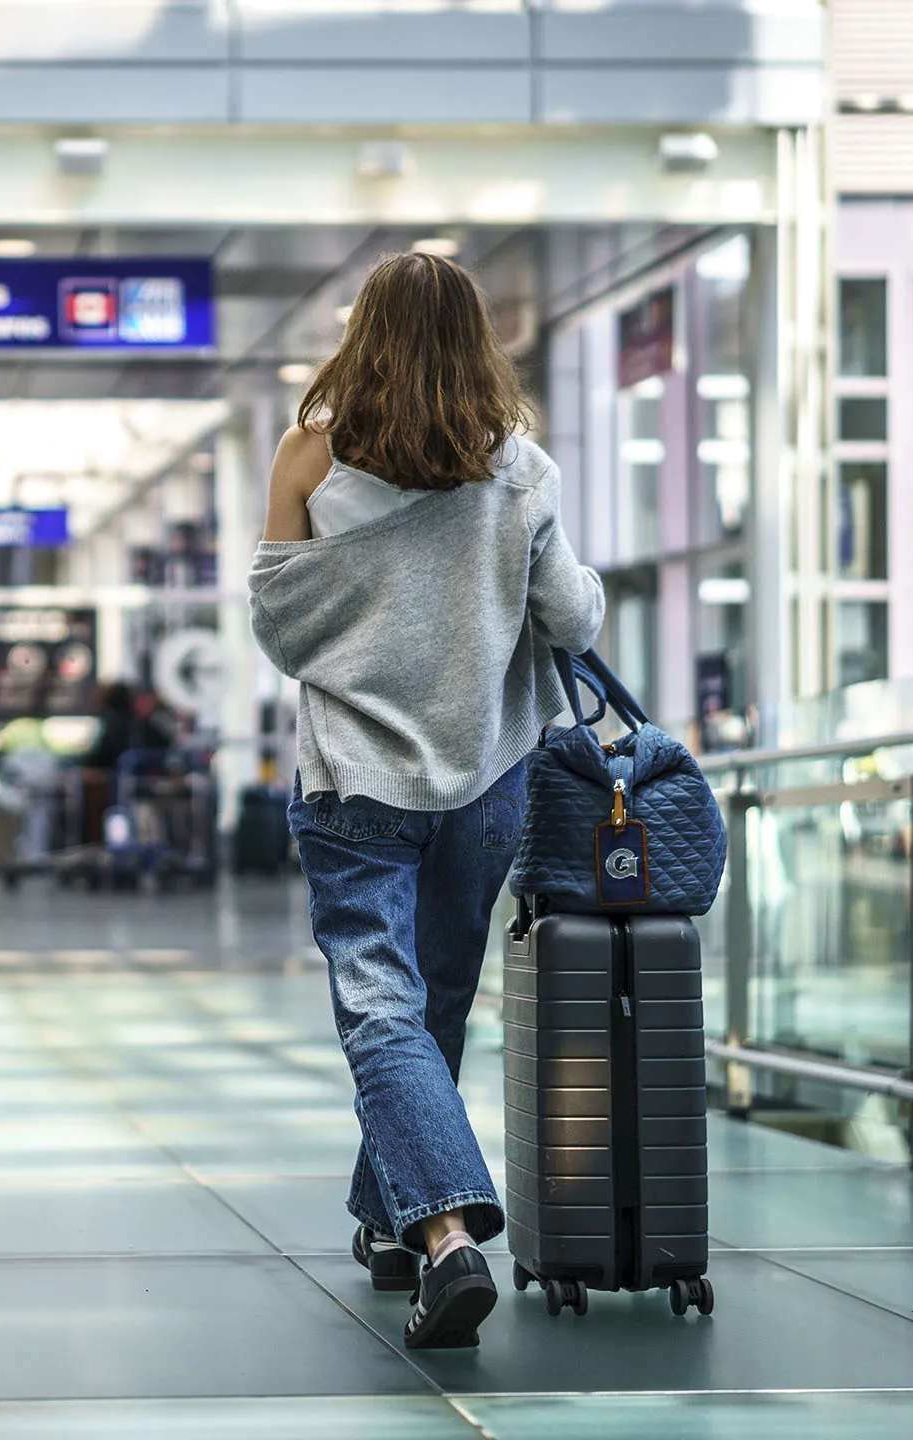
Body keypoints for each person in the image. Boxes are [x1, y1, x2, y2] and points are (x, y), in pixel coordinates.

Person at [248, 251, 605, 1350]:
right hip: (484, 781)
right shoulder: (521, 472)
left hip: (355, 782)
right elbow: (575, 622)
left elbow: (280, 624)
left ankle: (444, 1234)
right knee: (433, 1001)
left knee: (382, 1010)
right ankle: (393, 1222)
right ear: (474, 341)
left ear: (366, 337)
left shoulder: (311, 455)